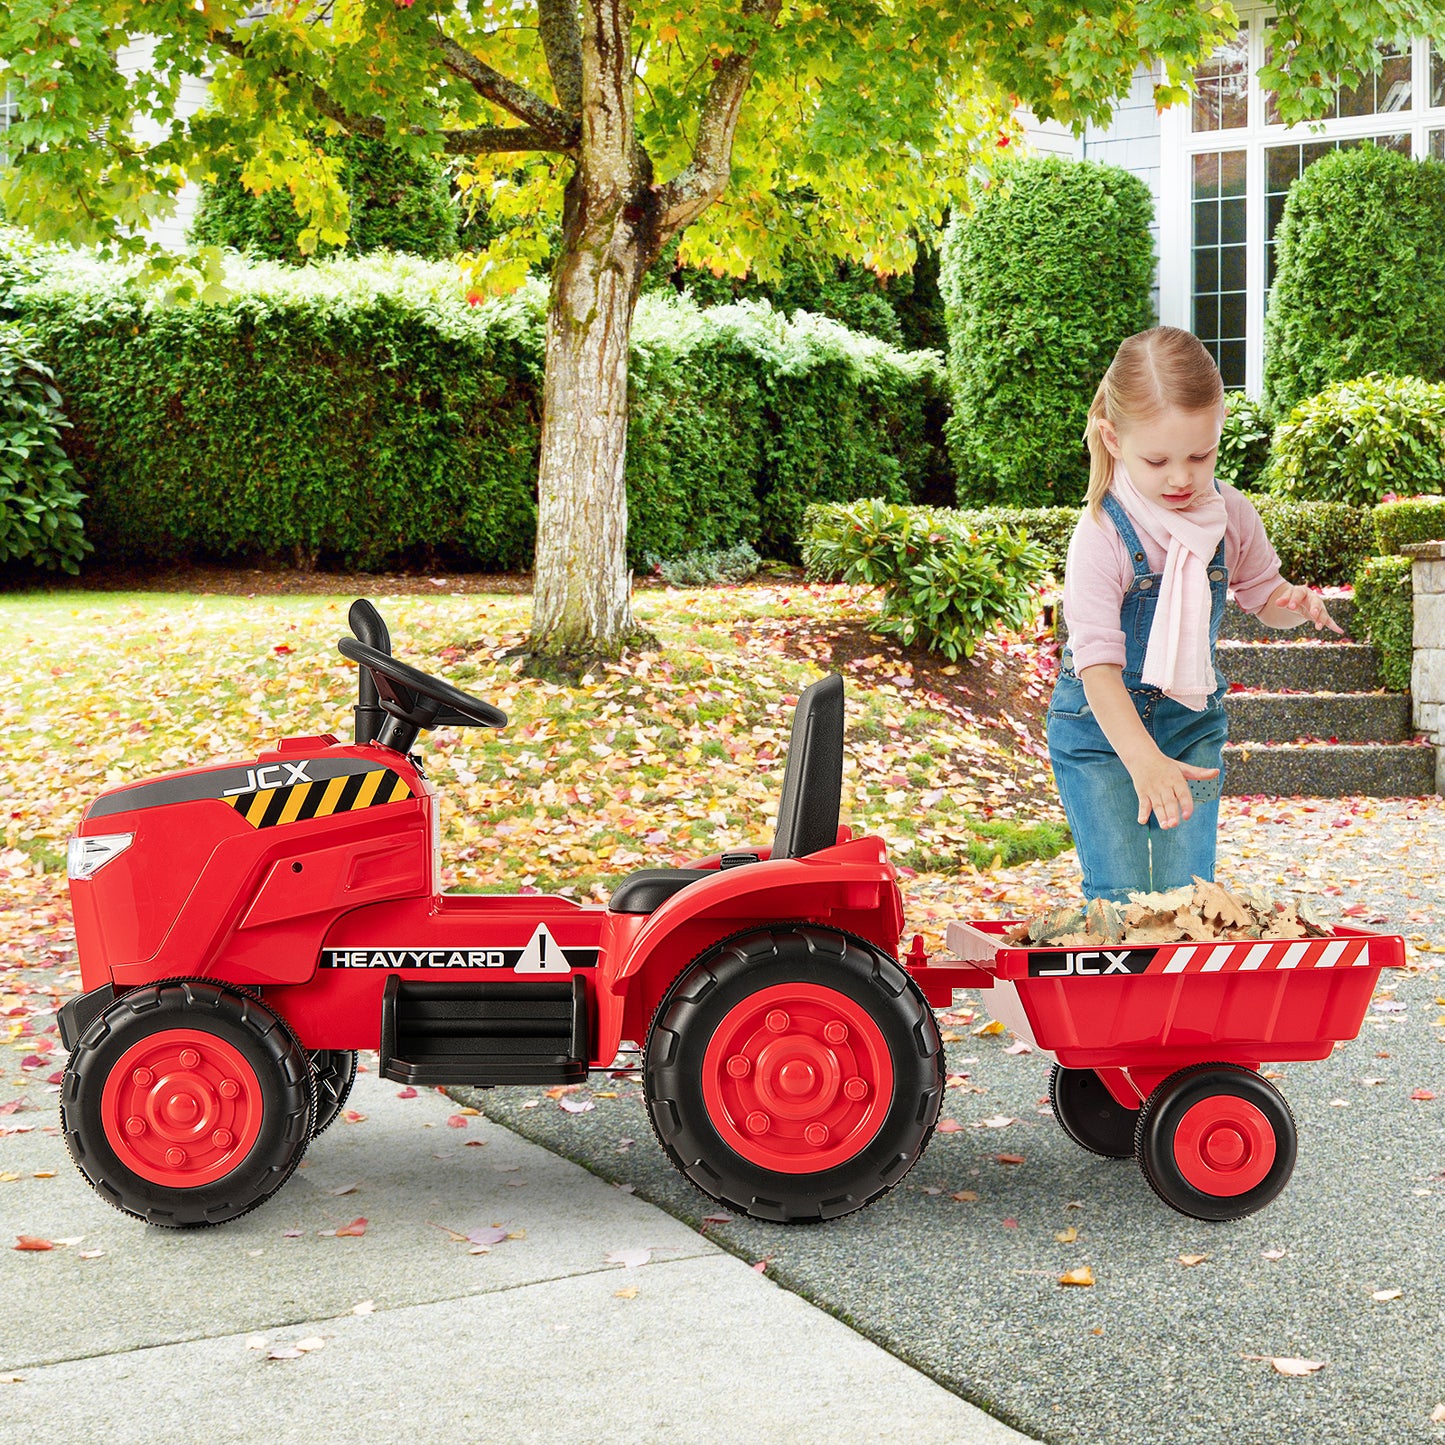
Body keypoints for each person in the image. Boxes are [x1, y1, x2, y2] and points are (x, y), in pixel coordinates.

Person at [1047, 326, 1343, 903]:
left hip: (1190, 725)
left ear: (1219, 429)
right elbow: (1098, 669)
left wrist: (1294, 605)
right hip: (1101, 732)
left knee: (1190, 898)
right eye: (1157, 460)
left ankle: (1184, 996)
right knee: (1122, 896)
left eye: (1199, 455)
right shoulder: (1101, 534)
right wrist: (1144, 761)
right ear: (1112, 438)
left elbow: (1263, 595)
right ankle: (1123, 994)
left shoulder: (1229, 515)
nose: (1181, 477)